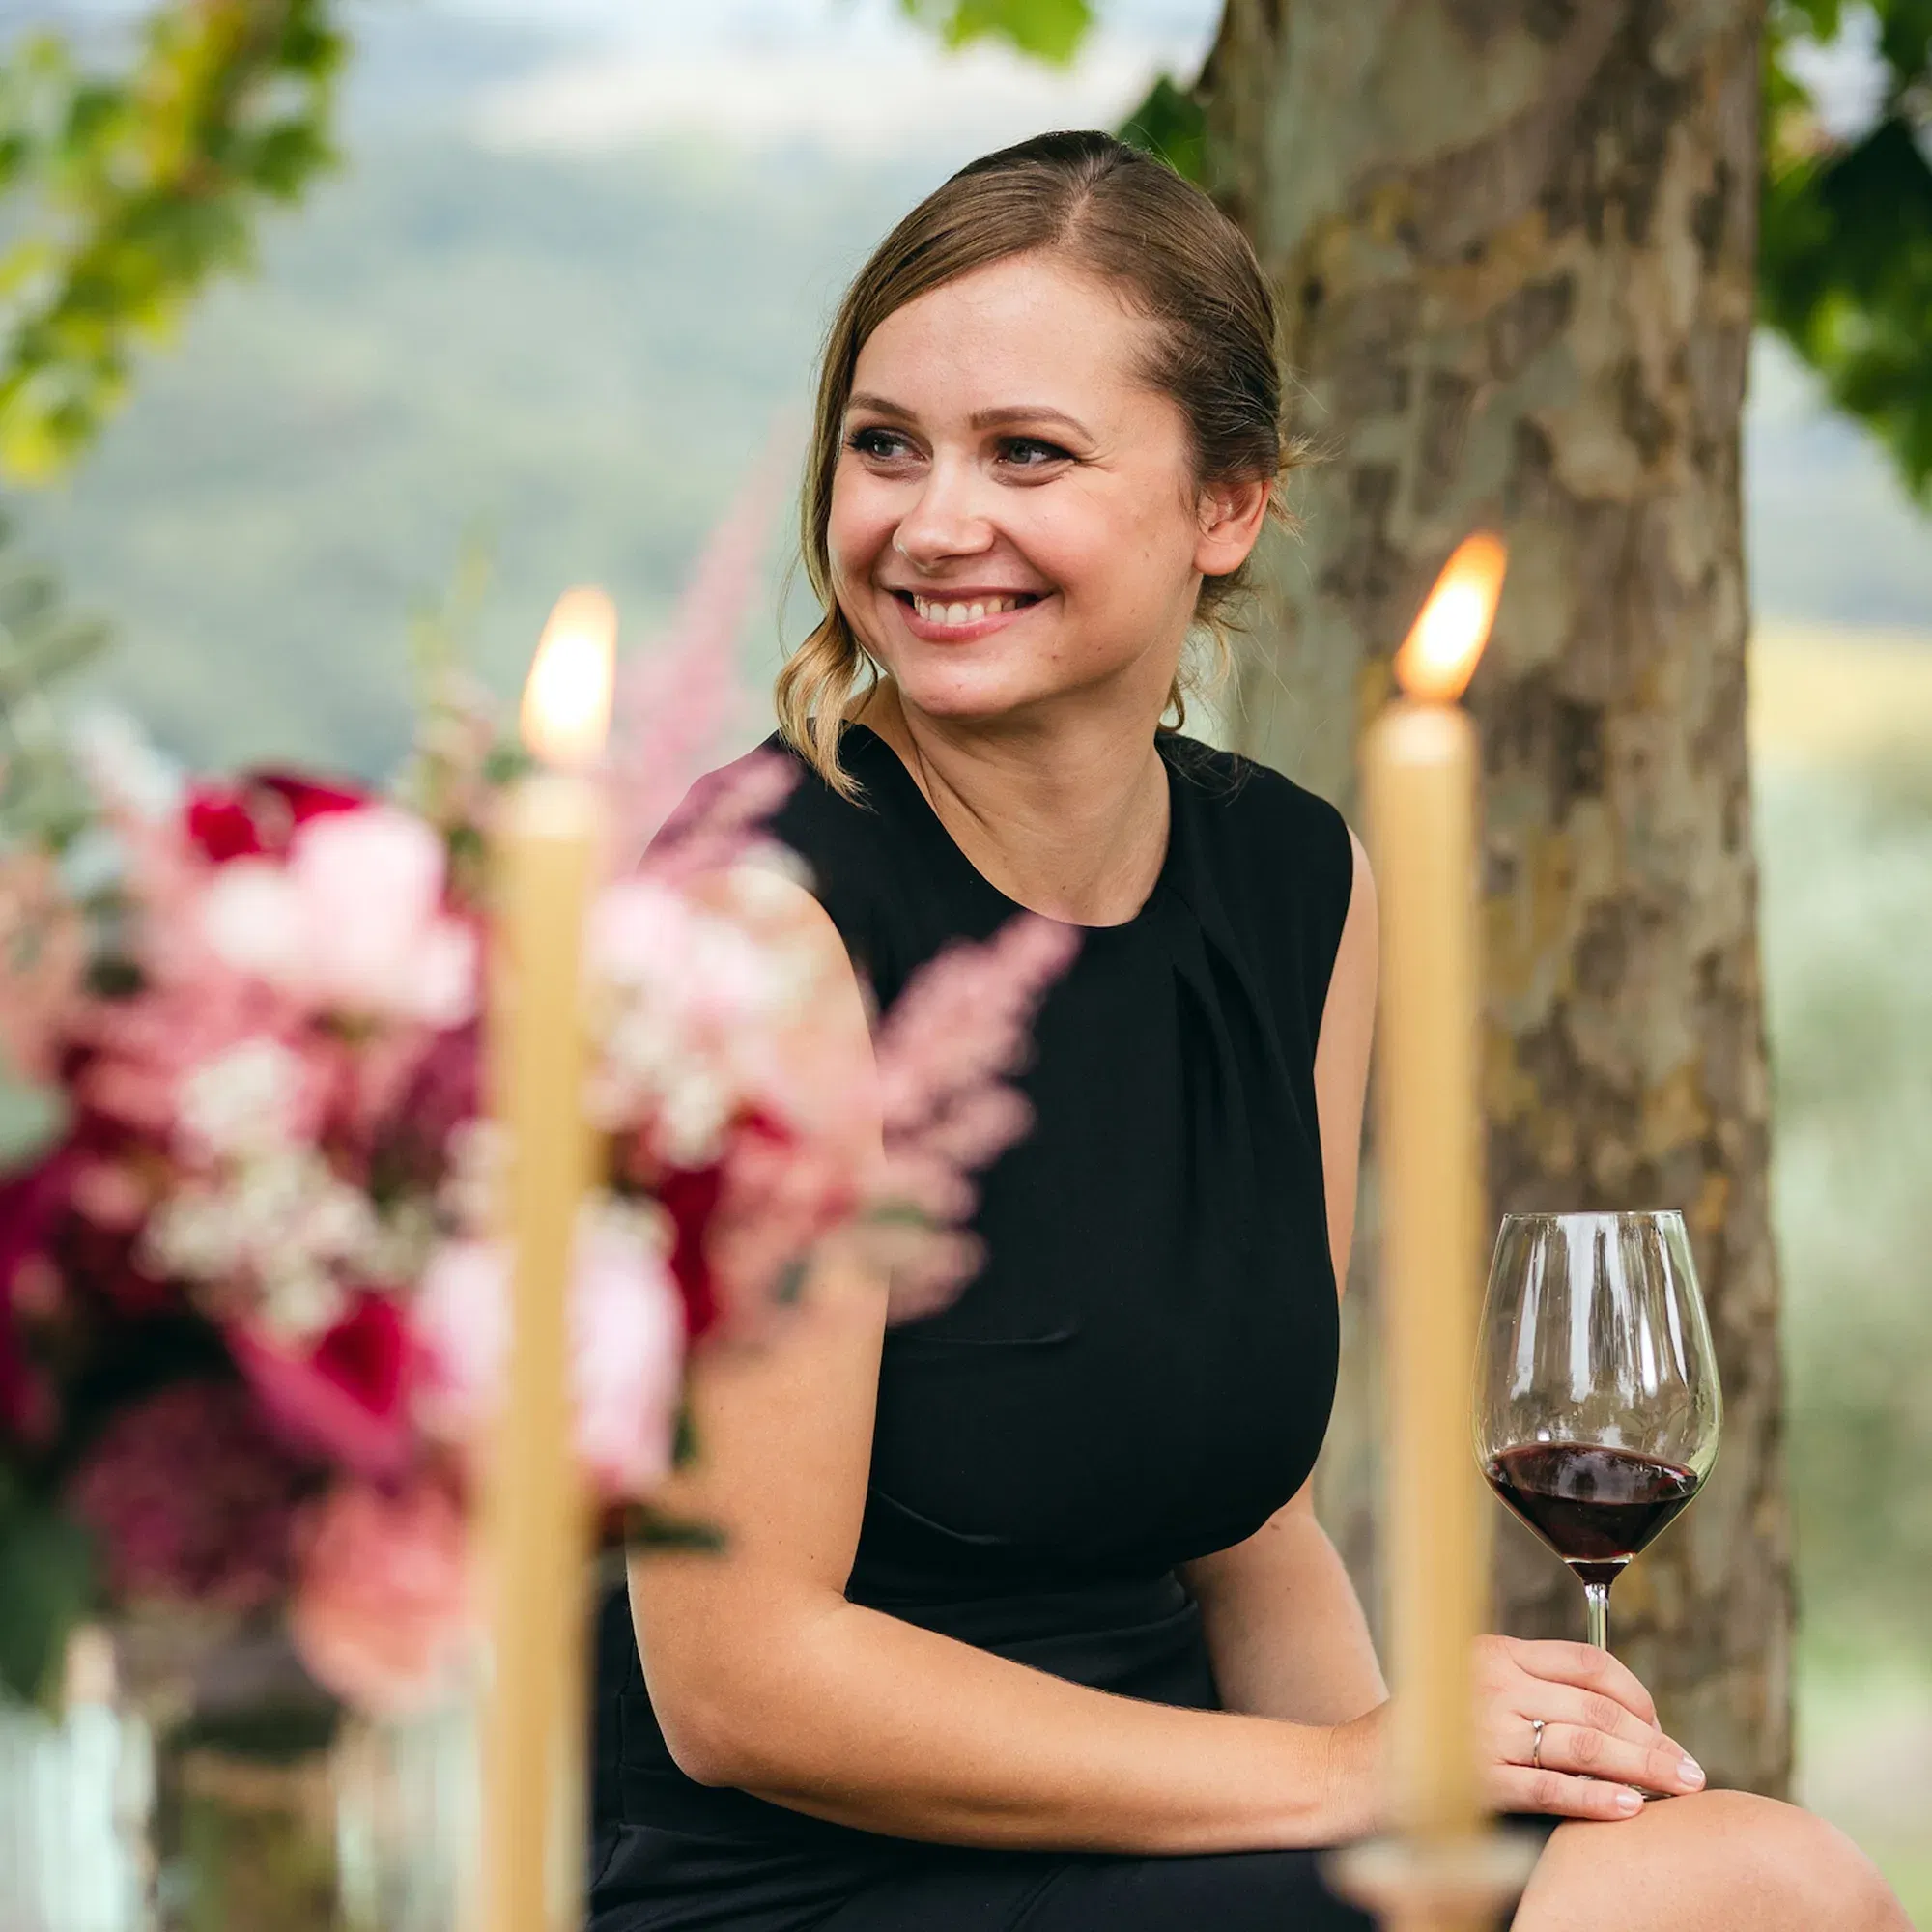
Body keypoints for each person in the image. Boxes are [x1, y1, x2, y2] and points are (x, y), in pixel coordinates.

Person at [589, 131, 1908, 1932]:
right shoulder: (763, 922)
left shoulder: (1298, 881)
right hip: (808, 1882)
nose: (931, 521)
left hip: (1175, 1831)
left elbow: (1246, 1526)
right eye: (884, 444)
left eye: (1027, 453)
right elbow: (741, 1687)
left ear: (1229, 507)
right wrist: (1354, 1776)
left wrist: (1428, 1793)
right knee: (1738, 1889)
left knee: (1742, 1879)